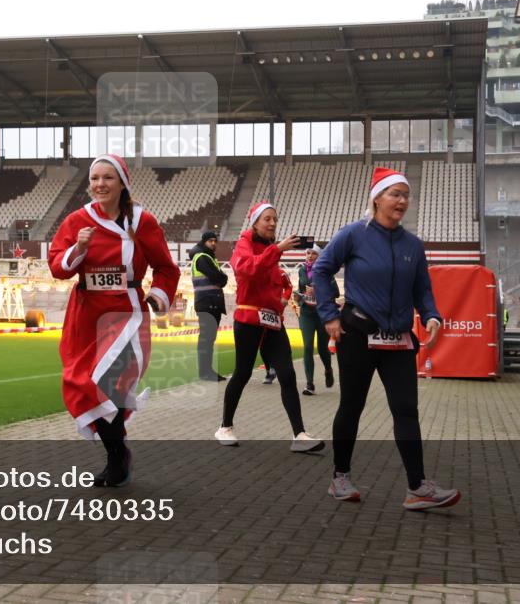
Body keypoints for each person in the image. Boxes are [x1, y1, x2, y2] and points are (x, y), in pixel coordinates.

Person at [313, 167, 459, 511]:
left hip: (399, 341)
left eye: (406, 195)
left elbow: (422, 289)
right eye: (395, 194)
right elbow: (321, 269)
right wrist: (329, 315)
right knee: (352, 405)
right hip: (357, 335)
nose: (402, 201)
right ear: (377, 198)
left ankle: (417, 487)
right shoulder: (353, 234)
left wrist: (432, 315)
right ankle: (340, 477)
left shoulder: (413, 245)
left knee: (406, 409)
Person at [48, 153, 180, 487]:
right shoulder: (77, 221)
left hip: (126, 312)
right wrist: (78, 249)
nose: (100, 184)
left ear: (123, 183)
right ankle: (117, 453)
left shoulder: (142, 221)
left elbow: (166, 267)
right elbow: (57, 268)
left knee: (108, 382)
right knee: (82, 383)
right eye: (94, 178)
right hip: (86, 315)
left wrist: (158, 295)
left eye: (108, 178)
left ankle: (116, 458)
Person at [214, 202, 324, 453]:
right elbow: (247, 270)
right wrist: (277, 249)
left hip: (273, 322)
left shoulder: (269, 250)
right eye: (267, 219)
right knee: (242, 373)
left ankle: (299, 434)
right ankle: (225, 426)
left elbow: (275, 285)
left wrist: (280, 304)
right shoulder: (244, 243)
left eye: (275, 218)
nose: (273, 223)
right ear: (254, 222)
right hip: (249, 320)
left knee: (287, 374)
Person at [296, 244, 338, 395]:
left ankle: (328, 369)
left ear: (319, 256)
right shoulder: (301, 270)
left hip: (322, 314)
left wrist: (318, 290)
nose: (310, 256)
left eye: (313, 253)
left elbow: (336, 292)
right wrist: (299, 295)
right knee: (307, 346)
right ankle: (310, 384)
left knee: (322, 348)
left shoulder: (326, 271)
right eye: (308, 253)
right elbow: (301, 288)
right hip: (306, 314)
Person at [188, 231, 228, 382]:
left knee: (209, 339)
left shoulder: (208, 257)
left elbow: (222, 278)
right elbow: (218, 277)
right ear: (204, 241)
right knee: (206, 339)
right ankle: (205, 372)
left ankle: (207, 371)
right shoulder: (202, 258)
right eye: (210, 241)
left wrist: (222, 278)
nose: (213, 243)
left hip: (210, 303)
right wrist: (222, 278)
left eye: (215, 241)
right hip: (207, 302)